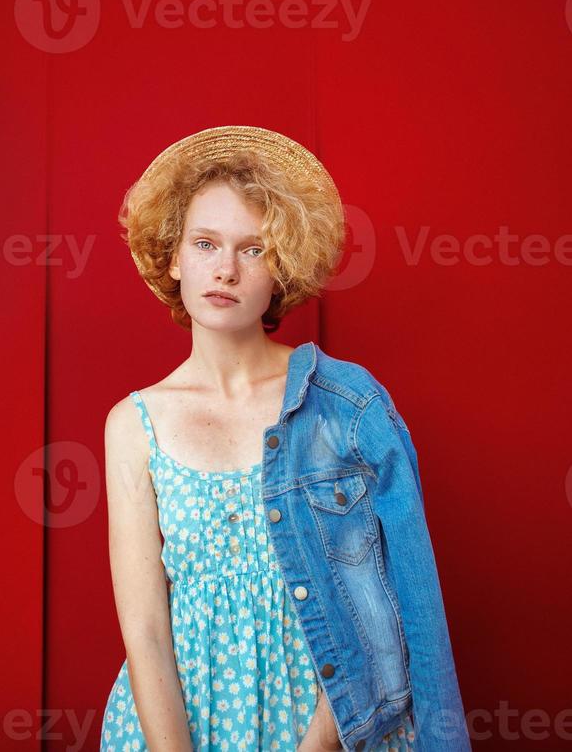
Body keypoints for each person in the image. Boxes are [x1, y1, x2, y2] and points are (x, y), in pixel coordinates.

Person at [100, 126, 469, 752]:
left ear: (282, 269)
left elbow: (388, 596)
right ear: (174, 257)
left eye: (253, 249)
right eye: (206, 243)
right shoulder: (135, 424)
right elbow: (145, 631)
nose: (224, 269)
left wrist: (318, 744)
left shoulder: (342, 406)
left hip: (333, 719)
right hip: (183, 721)